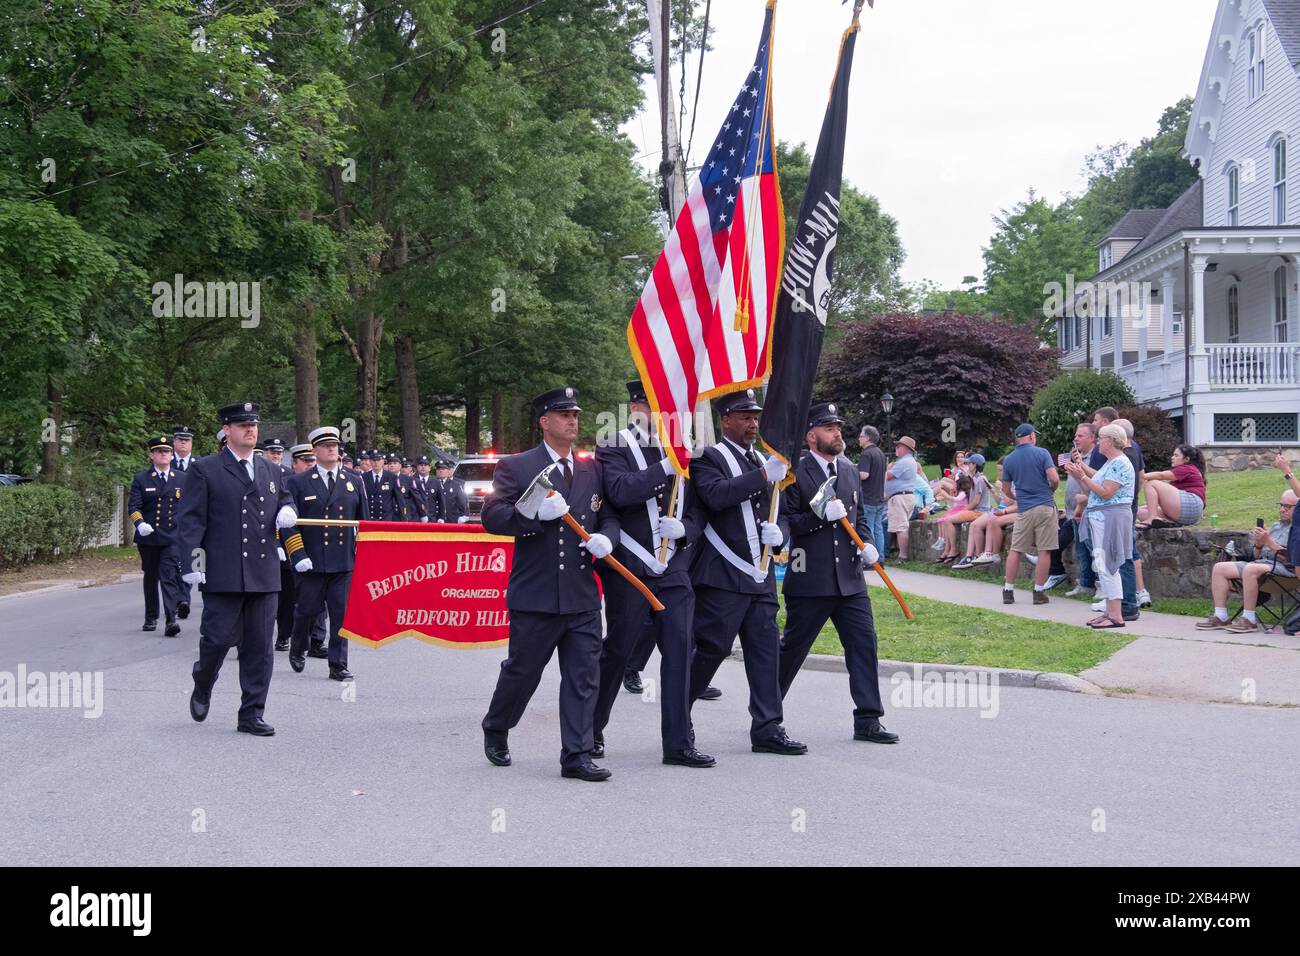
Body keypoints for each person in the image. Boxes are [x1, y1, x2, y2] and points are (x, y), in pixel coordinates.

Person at [481, 387, 619, 781]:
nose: (572, 421)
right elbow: (493, 518)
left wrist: (608, 537)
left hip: (581, 595)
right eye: (563, 415)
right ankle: (497, 724)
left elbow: (608, 514)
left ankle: (576, 755)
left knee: (583, 675)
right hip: (536, 594)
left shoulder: (592, 468)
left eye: (575, 414)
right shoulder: (518, 466)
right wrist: (533, 512)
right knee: (523, 671)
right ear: (544, 421)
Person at [591, 380, 713, 767]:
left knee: (680, 650)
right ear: (636, 405)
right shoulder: (613, 442)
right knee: (619, 648)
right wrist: (666, 465)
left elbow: (700, 507)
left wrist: (688, 530)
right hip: (630, 562)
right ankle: (590, 731)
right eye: (655, 403)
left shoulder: (685, 449)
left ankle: (678, 741)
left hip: (673, 564)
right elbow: (621, 491)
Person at [689, 388, 806, 756]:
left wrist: (781, 534)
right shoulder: (708, 457)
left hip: (760, 572)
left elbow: (782, 512)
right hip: (723, 573)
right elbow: (716, 496)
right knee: (712, 648)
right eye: (744, 416)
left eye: (755, 416)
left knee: (766, 650)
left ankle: (768, 727)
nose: (753, 422)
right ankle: (678, 713)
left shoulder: (765, 460)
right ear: (726, 420)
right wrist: (761, 475)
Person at [778, 402, 897, 744]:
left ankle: (869, 719)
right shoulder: (794, 472)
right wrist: (818, 517)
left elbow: (857, 519)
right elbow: (786, 522)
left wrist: (868, 543)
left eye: (839, 427)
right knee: (792, 651)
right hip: (811, 579)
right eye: (829, 428)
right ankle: (768, 712)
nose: (837, 433)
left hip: (850, 580)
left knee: (863, 645)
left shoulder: (847, 469)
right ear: (811, 435)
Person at [178, 401, 296, 736]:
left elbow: (284, 498)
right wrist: (193, 563)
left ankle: (251, 714)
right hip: (223, 570)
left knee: (259, 648)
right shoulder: (206, 469)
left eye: (254, 424)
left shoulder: (272, 470)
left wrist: (287, 509)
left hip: (263, 571)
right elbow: (191, 520)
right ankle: (204, 681)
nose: (250, 429)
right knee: (216, 640)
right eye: (242, 424)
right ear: (227, 430)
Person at [284, 426, 368, 680]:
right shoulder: (298, 482)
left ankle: (338, 664)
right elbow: (288, 524)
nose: (332, 449)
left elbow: (362, 523)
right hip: (311, 561)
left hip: (343, 562)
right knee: (306, 611)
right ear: (315, 450)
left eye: (334, 445)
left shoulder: (354, 480)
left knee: (341, 615)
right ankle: (298, 646)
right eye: (325, 445)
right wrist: (297, 555)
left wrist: (363, 556)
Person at [1066, 423, 1135, 629]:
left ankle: (1116, 615)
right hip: (1103, 517)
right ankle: (1109, 611)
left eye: (1101, 439)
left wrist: (1082, 476)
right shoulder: (1112, 462)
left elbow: (1106, 492)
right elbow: (1099, 479)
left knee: (1109, 564)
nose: (1098, 442)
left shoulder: (1120, 463)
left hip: (1111, 518)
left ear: (1111, 441)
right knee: (1103, 564)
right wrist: (1081, 468)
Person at [1197, 491, 1298, 633]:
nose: (1282, 509)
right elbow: (1257, 557)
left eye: (1287, 507)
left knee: (1250, 569)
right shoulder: (1276, 526)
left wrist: (1269, 542)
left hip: (1288, 572)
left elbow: (1293, 559)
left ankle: (1249, 619)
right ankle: (1221, 616)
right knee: (1220, 568)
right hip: (1263, 566)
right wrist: (1258, 544)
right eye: (1281, 505)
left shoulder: (1298, 529)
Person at [128, 435, 184, 636]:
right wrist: (140, 523)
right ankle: (151, 617)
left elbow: (187, 507)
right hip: (149, 538)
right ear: (151, 455)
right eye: (159, 451)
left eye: (167, 451)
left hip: (171, 537)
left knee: (168, 576)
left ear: (171, 455)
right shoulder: (141, 478)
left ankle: (171, 620)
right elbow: (133, 506)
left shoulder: (181, 478)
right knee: (151, 577)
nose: (164, 454)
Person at [998, 424, 1060, 604]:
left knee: (1016, 550)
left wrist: (1015, 497)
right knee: (1044, 551)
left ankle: (1008, 590)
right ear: (1032, 436)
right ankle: (1038, 592)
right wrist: (1051, 489)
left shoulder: (1009, 459)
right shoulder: (1042, 453)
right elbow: (1055, 478)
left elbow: (1005, 488)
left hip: (1024, 509)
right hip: (1044, 506)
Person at [274, 443, 325, 654]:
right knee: (288, 598)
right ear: (294, 463)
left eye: (311, 460)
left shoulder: (320, 483)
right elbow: (274, 518)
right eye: (305, 461)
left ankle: (316, 640)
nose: (309, 465)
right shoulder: (285, 484)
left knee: (319, 599)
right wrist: (278, 544)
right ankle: (285, 635)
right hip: (289, 548)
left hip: (315, 549)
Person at [1139, 445, 1206, 528]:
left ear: (1186, 459)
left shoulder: (1188, 468)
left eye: (1176, 455)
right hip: (1189, 513)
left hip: (1190, 505)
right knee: (1140, 512)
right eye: (1173, 455)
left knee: (1151, 483)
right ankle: (1169, 522)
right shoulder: (1187, 471)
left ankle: (1152, 518)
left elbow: (1161, 475)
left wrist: (1141, 476)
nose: (1172, 457)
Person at [940, 454, 991, 564]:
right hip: (975, 510)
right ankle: (948, 549)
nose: (966, 465)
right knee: (946, 519)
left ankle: (953, 550)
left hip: (979, 512)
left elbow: (976, 502)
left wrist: (964, 511)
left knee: (948, 520)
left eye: (968, 463)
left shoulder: (980, 479)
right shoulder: (975, 478)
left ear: (974, 465)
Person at [883, 436, 919, 561]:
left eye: (898, 446)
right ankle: (899, 553)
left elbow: (888, 476)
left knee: (900, 527)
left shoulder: (904, 462)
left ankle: (903, 556)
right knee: (899, 526)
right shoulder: (908, 461)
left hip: (900, 497)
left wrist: (886, 468)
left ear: (906, 449)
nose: (896, 448)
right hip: (904, 496)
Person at [856, 425, 887, 560]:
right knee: (878, 529)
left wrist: (851, 471)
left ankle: (871, 560)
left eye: (861, 436)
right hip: (879, 497)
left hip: (868, 497)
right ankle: (880, 559)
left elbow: (864, 475)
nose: (859, 438)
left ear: (868, 438)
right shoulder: (880, 453)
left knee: (868, 531)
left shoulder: (866, 453)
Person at [434, 459, 469, 524]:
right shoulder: (431, 484)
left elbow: (462, 502)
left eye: (443, 469)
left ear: (448, 471)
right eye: (438, 469)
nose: (441, 470)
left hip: (451, 520)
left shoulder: (456, 485)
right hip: (434, 520)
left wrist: (463, 516)